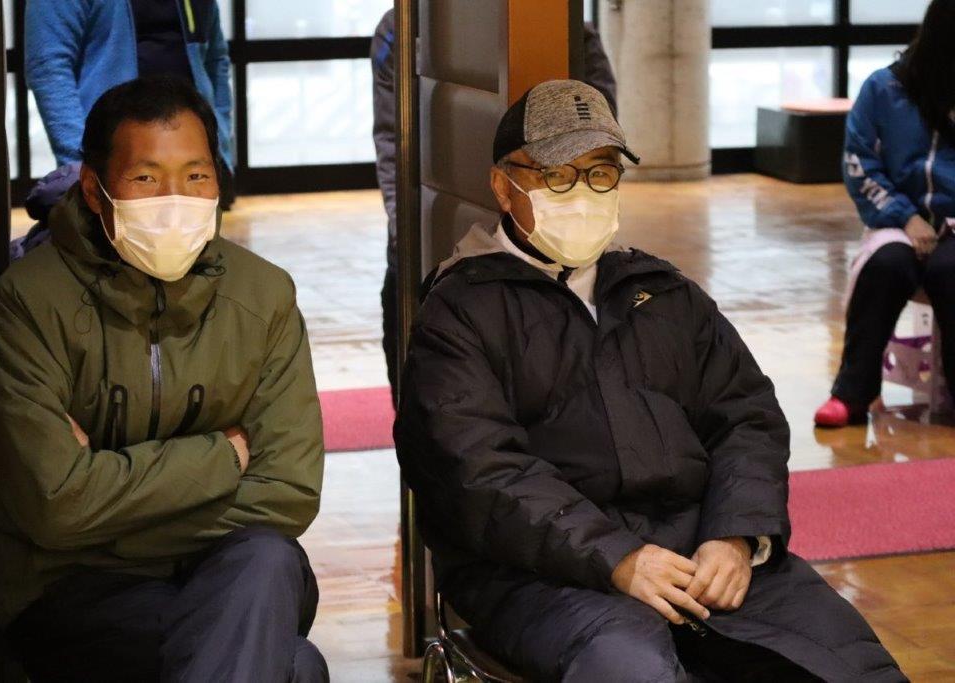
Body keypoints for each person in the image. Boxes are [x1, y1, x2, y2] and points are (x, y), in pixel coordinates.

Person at [394, 79, 905, 682]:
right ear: (504, 186)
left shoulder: (663, 293)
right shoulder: (460, 310)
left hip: (700, 550)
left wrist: (737, 534)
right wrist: (618, 557)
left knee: (846, 664)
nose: (582, 193)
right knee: (633, 669)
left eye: (601, 173)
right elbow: (479, 472)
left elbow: (747, 416)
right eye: (558, 175)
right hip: (536, 575)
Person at [0, 77, 327, 683]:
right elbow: (54, 506)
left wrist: (106, 506)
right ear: (95, 189)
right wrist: (224, 456)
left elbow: (288, 490)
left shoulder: (264, 295)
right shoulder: (29, 302)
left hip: (226, 569)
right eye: (145, 178)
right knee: (293, 666)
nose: (175, 198)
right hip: (76, 589)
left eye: (196, 175)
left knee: (267, 557)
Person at [371, 9, 618, 405]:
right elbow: (392, 140)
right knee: (420, 389)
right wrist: (405, 236)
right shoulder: (401, 27)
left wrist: (584, 209)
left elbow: (604, 136)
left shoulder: (568, 26)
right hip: (424, 227)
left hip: (553, 242)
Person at [815, 0, 955, 427]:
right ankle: (851, 394)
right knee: (886, 266)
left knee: (951, 271)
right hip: (897, 222)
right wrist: (905, 216)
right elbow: (859, 164)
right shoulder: (883, 88)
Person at [24, 0, 235, 213]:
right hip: (113, 159)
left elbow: (216, 59)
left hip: (195, 159)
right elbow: (48, 65)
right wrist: (81, 160)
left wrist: (221, 141)